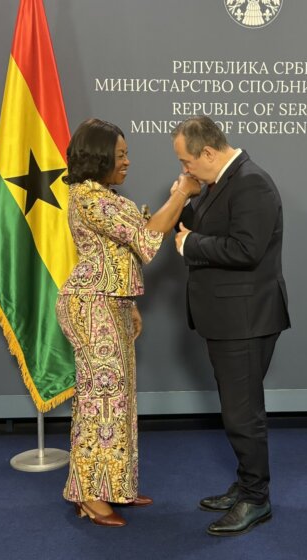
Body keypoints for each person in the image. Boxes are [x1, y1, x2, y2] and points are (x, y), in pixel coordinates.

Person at [56, 118, 200, 527]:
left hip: (110, 302)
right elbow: (147, 239)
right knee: (100, 401)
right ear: (98, 157)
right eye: (120, 155)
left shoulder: (103, 195)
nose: (127, 162)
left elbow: (123, 253)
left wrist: (129, 301)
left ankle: (114, 485)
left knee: (117, 400)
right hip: (92, 306)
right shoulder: (90, 198)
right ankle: (88, 494)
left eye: (126, 154)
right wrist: (183, 193)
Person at [171, 116, 291, 536]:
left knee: (243, 415)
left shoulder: (251, 183)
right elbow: (207, 226)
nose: (184, 169)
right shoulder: (221, 182)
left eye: (186, 161)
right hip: (229, 318)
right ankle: (245, 485)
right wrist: (184, 200)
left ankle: (256, 499)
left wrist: (190, 244)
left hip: (246, 319)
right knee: (237, 410)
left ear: (207, 152)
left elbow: (247, 250)